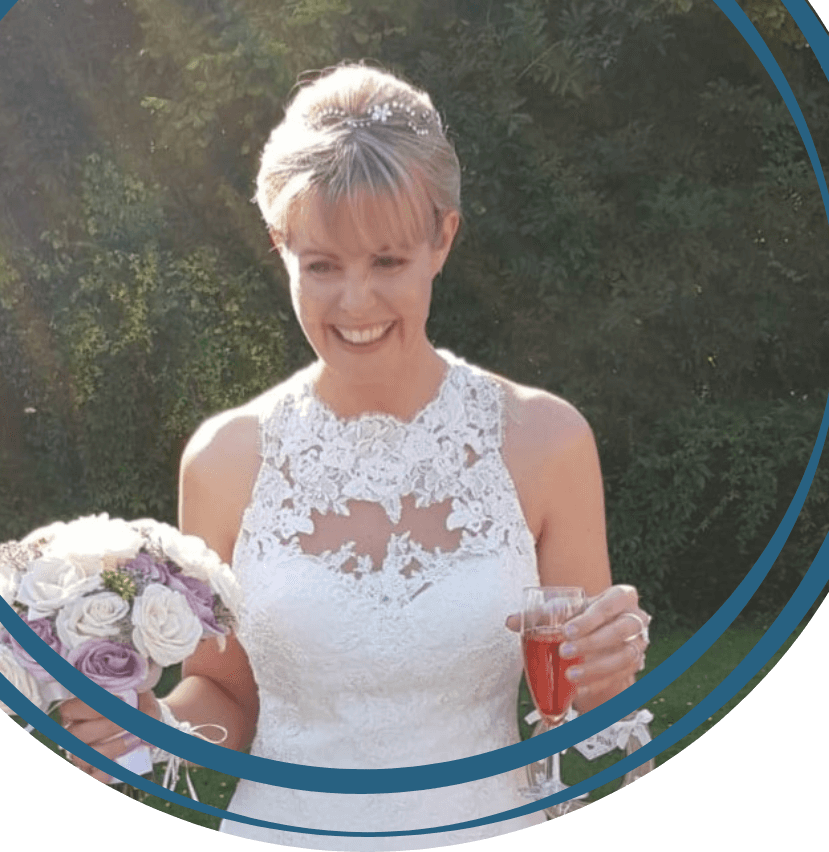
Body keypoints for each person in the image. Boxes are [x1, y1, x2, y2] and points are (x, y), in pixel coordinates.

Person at [59, 63, 652, 847]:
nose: (355, 303)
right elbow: (229, 695)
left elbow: (576, 704)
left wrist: (605, 672)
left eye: (387, 262)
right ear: (280, 247)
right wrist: (152, 724)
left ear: (443, 239)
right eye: (322, 266)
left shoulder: (546, 441)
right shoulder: (224, 461)